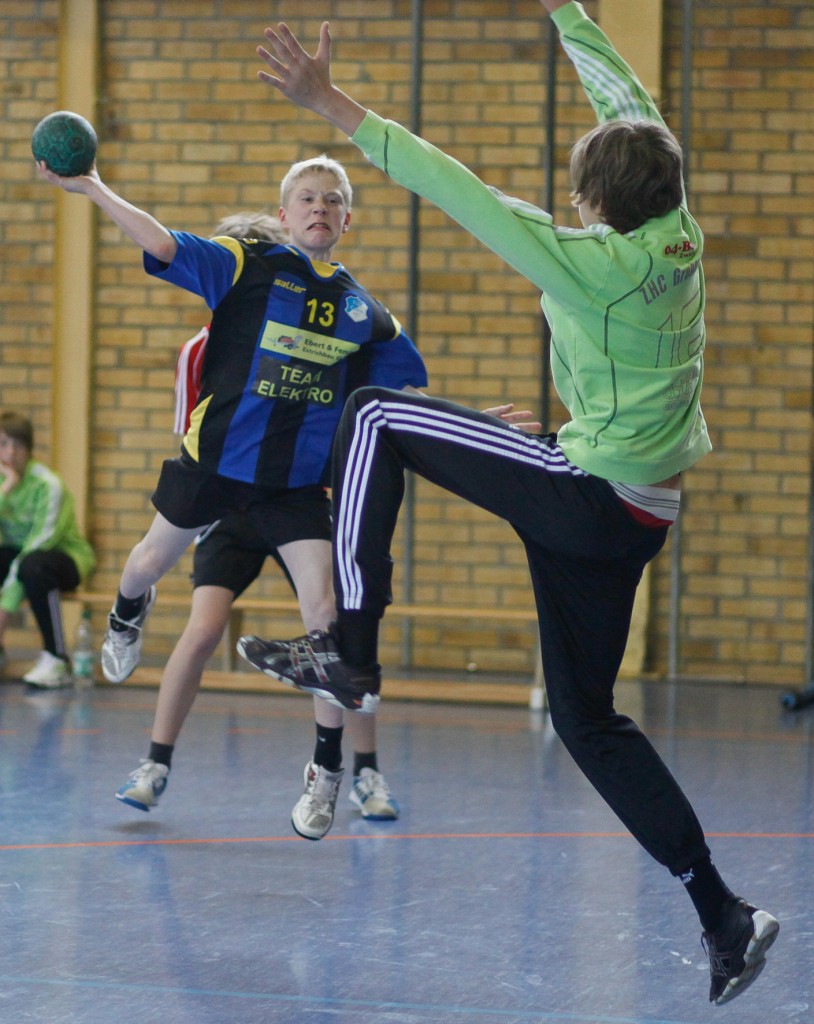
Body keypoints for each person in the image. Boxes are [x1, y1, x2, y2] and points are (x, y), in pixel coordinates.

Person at [236, 0, 779, 1004]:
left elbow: (457, 188)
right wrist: (567, 8)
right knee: (586, 721)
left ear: (591, 209)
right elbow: (625, 94)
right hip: (634, 507)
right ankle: (723, 912)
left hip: (584, 494)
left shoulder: (588, 263)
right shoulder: (676, 230)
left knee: (373, 416)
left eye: (575, 196)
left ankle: (347, 651)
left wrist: (331, 102)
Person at [113, 208, 406, 837]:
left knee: (334, 627)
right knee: (202, 627)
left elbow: (377, 391)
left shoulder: (334, 329)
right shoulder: (203, 348)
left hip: (294, 493)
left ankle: (361, 770)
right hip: (226, 496)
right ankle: (154, 762)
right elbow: (194, 432)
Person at [0, 411, 95, 688]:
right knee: (23, 564)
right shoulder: (3, 482)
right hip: (22, 556)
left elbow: (41, 542)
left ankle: (56, 658)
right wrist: (6, 490)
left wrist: (5, 608)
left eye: (18, 445)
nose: (10, 452)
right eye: (4, 444)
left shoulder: (48, 484)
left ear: (29, 451)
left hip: (65, 558)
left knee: (33, 567)